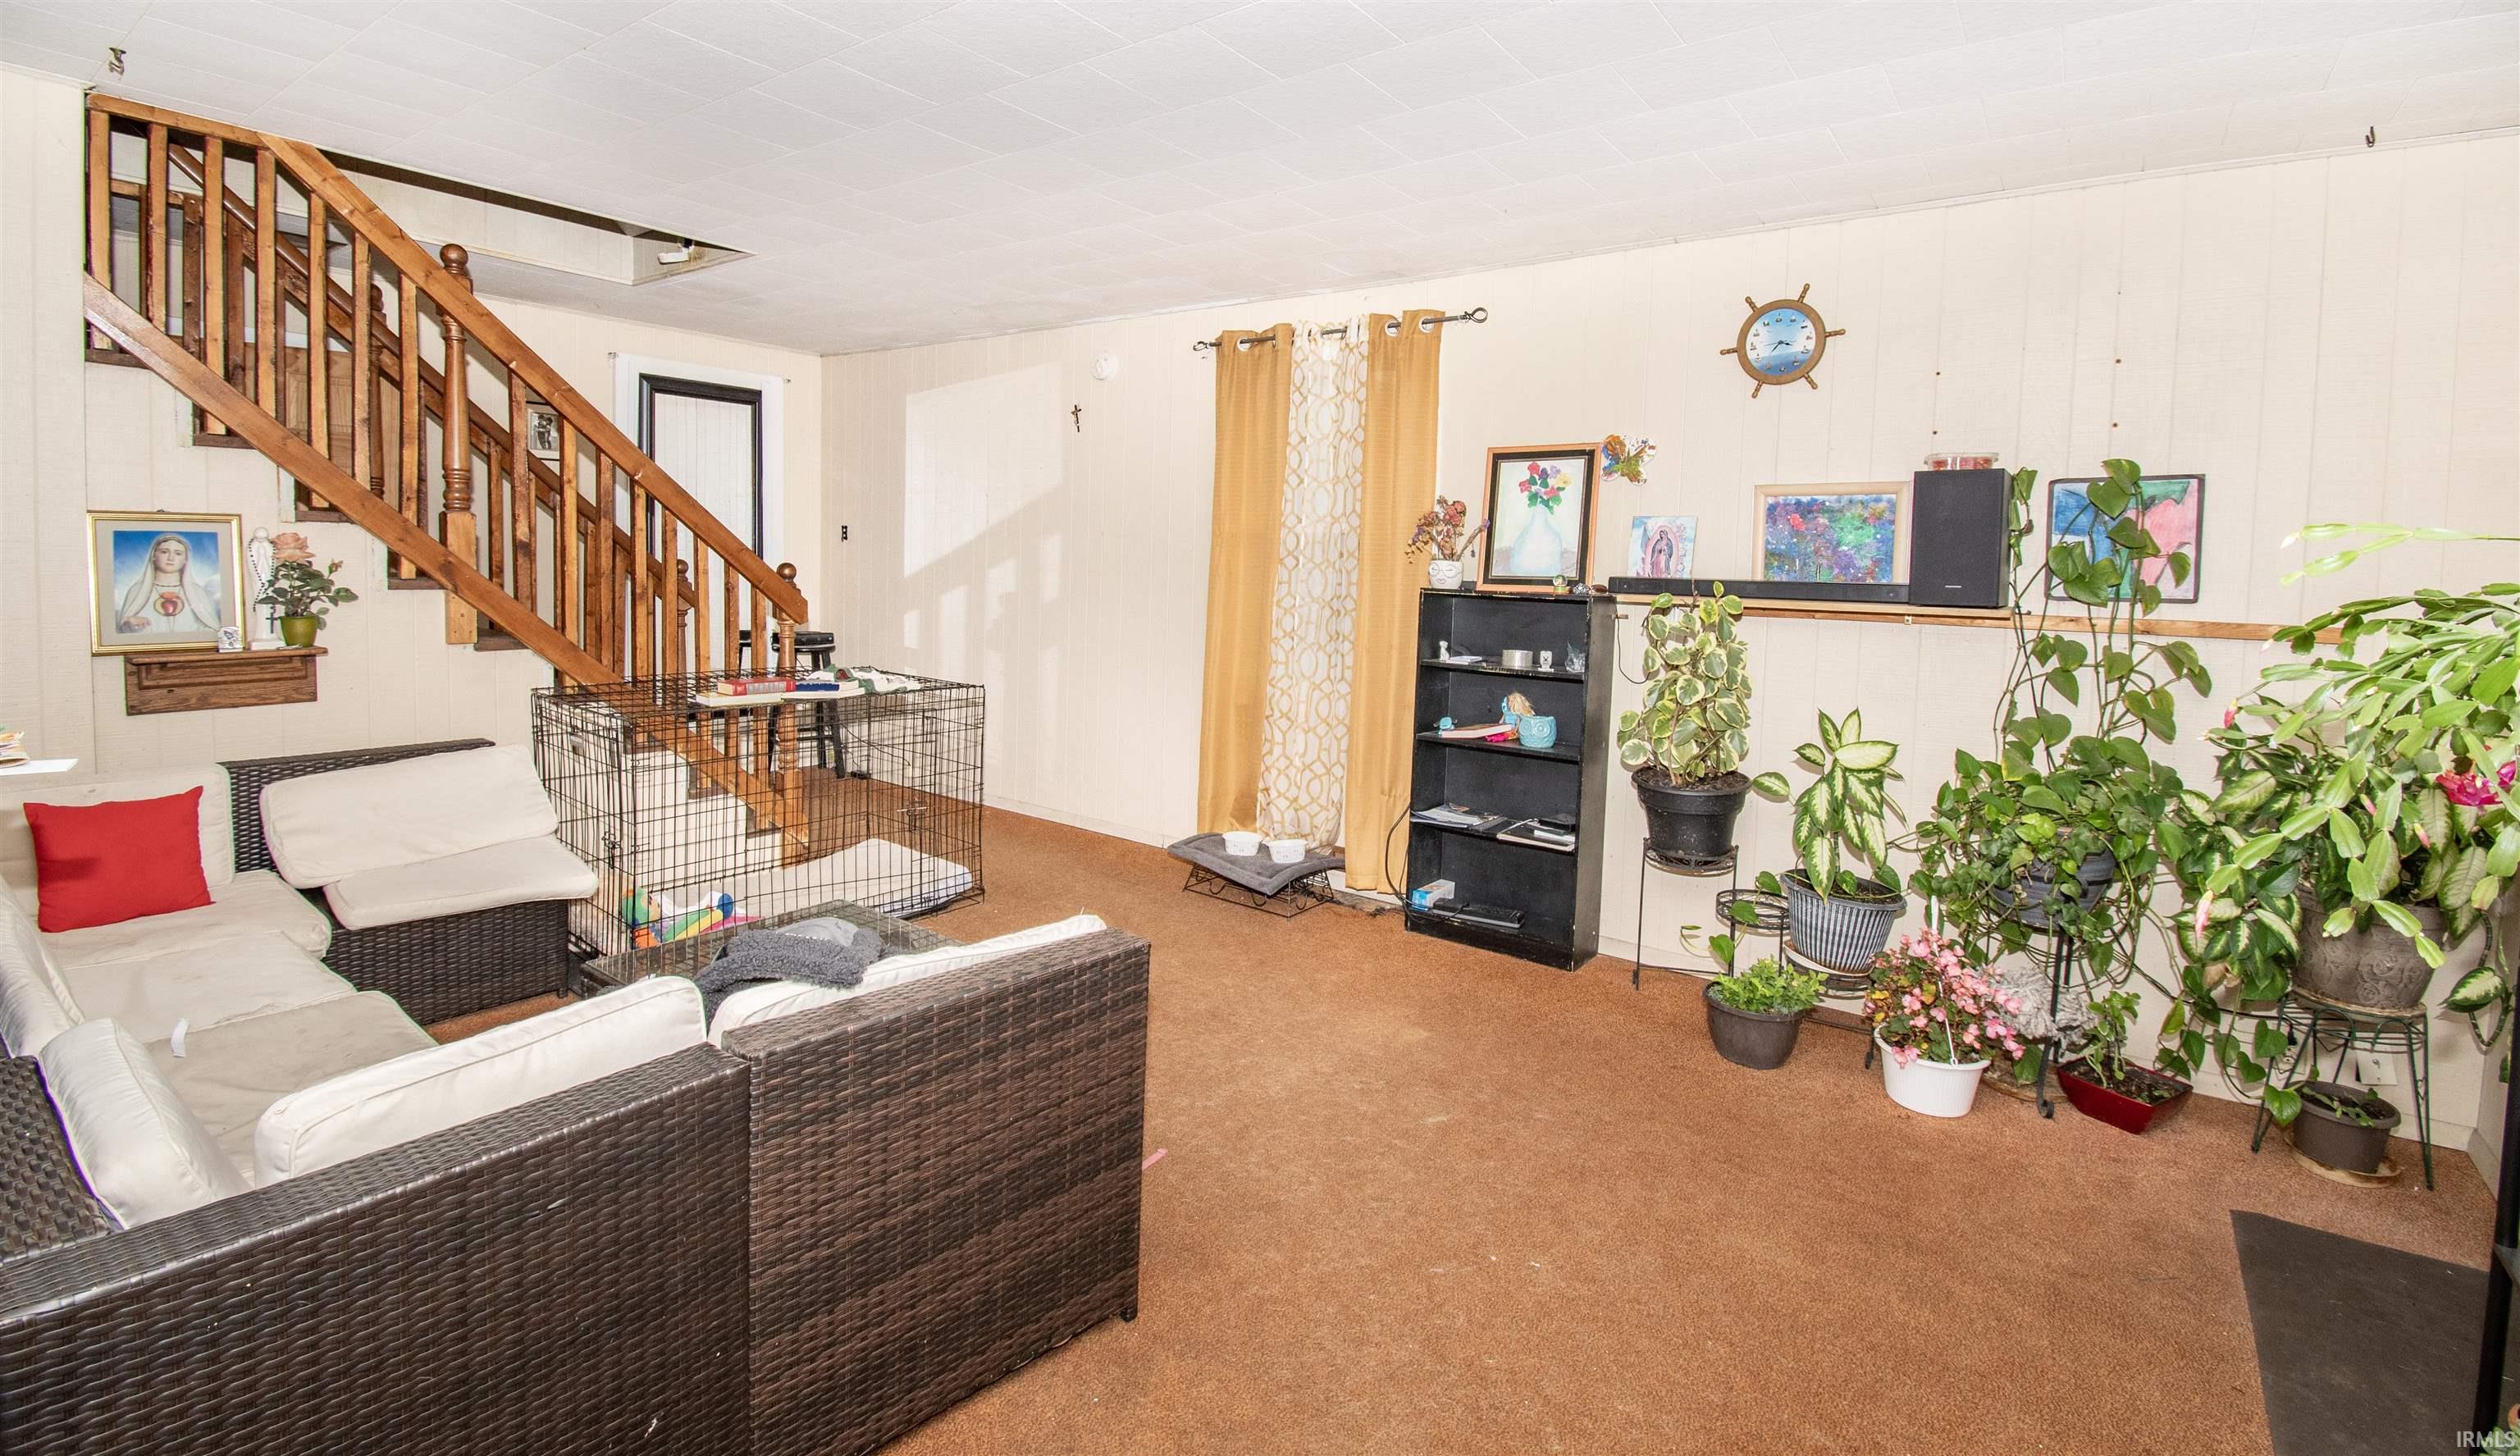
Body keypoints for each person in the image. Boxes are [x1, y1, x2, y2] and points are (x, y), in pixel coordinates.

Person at [114, 532, 224, 636]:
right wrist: (130, 625)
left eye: (178, 553)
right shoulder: (137, 590)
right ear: (153, 556)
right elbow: (123, 631)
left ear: (186, 559)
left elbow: (212, 628)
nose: (171, 558)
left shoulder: (197, 592)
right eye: (164, 552)